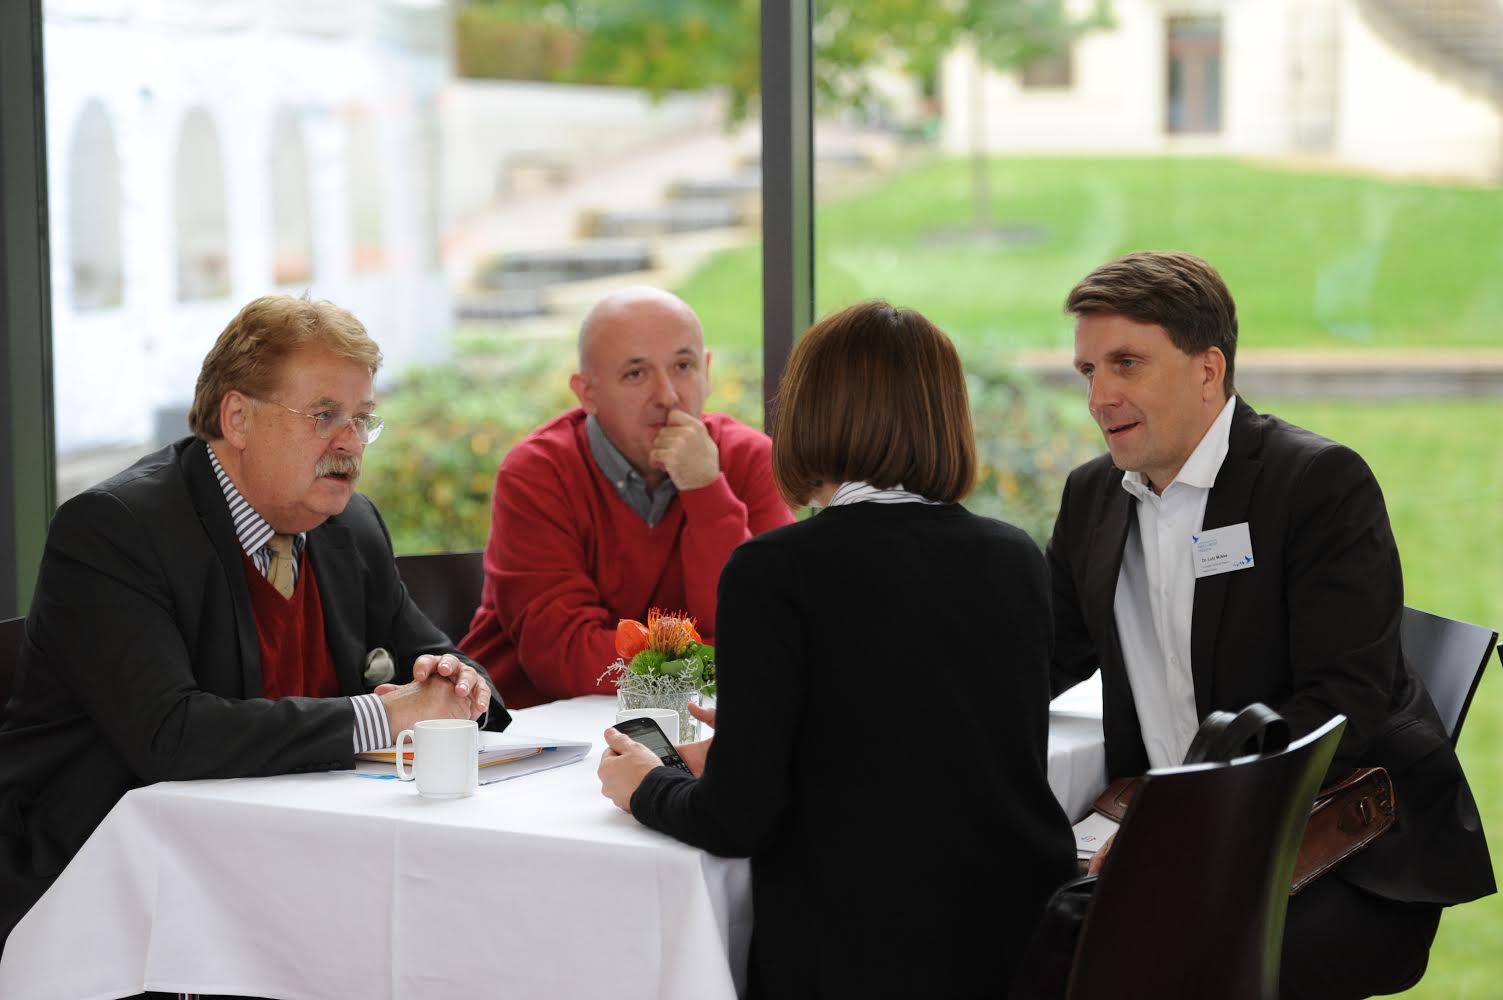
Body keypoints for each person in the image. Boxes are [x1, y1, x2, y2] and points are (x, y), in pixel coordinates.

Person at [1046, 251, 1495, 999]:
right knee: (1019, 927)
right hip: (1174, 839)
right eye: (1086, 370)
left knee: (1144, 969)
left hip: (1341, 847)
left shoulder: (1315, 485)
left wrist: (1179, 830)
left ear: (1207, 369)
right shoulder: (1095, 497)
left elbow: (1343, 704)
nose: (1100, 395)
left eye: (1126, 362)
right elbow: (1044, 655)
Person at [597, 301, 1077, 998]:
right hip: (1016, 949)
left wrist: (647, 786)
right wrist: (761, 745)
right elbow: (931, 746)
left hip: (856, 959)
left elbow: (735, 821)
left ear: (808, 413)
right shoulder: (1014, 558)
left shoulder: (774, 570)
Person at [0, 295, 508, 951]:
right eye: (325, 415)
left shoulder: (349, 527)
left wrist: (458, 688)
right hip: (113, 891)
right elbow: (173, 736)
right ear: (238, 417)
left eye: (361, 419)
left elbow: (445, 667)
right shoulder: (117, 531)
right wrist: (390, 715)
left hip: (292, 870)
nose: (350, 443)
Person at [460, 286, 793, 708]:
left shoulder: (750, 461)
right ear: (587, 393)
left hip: (690, 731)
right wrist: (716, 652)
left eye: (684, 366)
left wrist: (706, 490)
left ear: (707, 372)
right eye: (636, 373)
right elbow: (565, 660)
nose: (669, 396)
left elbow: (766, 636)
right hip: (530, 740)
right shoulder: (537, 473)